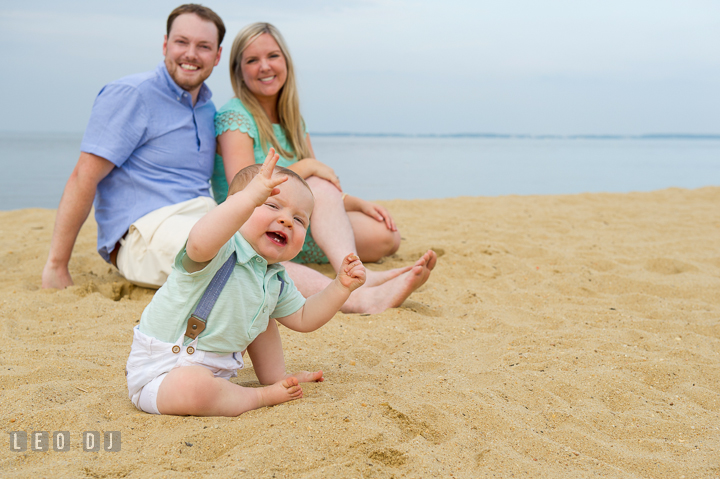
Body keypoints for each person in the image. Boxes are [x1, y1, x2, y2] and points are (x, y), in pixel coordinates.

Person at [213, 22, 437, 314]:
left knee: (386, 235)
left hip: (293, 218)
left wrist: (353, 203)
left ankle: (357, 272)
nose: (264, 67)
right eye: (252, 60)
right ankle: (357, 293)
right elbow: (243, 190)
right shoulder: (235, 116)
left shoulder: (293, 119)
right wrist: (308, 165)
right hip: (252, 226)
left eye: (272, 56)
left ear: (286, 61)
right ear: (238, 71)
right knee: (264, 252)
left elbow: (311, 191)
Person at [126, 149, 366, 416]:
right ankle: (260, 396)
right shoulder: (219, 247)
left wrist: (340, 287)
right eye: (271, 205)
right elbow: (198, 242)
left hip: (213, 370)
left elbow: (304, 317)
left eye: (299, 220)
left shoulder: (274, 276)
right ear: (236, 207)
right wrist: (250, 197)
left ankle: (274, 376)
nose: (287, 220)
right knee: (194, 388)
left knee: (264, 311)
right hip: (161, 371)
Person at [42, 4, 225, 289]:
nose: (191, 54)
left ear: (217, 56)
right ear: (165, 45)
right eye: (181, 42)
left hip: (202, 217)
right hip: (144, 235)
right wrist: (56, 265)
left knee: (255, 250)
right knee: (232, 258)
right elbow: (84, 176)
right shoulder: (132, 94)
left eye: (203, 46)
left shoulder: (206, 107)